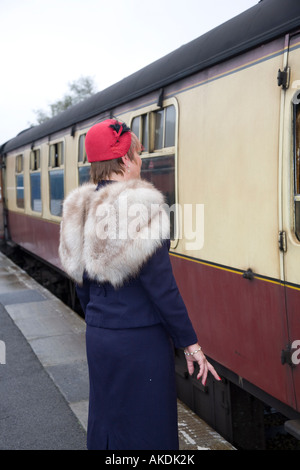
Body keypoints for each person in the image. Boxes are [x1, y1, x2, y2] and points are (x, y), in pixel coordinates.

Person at [59, 119, 220, 450]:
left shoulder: (80, 207)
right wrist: (191, 345)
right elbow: (162, 287)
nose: (141, 161)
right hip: (139, 342)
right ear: (125, 160)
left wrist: (102, 319)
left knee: (108, 420)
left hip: (100, 336)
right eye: (137, 153)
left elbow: (82, 284)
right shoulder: (141, 207)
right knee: (148, 430)